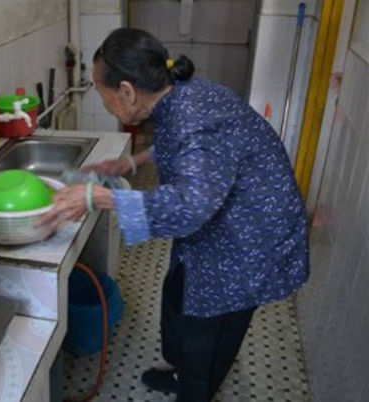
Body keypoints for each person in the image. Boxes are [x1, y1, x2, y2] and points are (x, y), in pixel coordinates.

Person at [36, 28, 309, 402]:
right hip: (226, 220)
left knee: (205, 334)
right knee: (179, 298)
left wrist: (98, 197)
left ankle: (195, 389)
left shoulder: (190, 114)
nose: (102, 99)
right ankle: (185, 376)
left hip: (250, 237)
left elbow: (190, 206)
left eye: (101, 91)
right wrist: (131, 162)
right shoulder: (176, 94)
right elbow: (182, 147)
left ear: (127, 91)